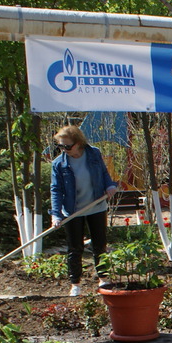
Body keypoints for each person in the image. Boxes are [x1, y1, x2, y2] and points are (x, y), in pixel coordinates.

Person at [49, 126, 118, 297]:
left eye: (67, 146)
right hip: (72, 211)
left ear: (78, 143)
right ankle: (75, 284)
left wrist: (109, 186)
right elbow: (56, 189)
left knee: (99, 245)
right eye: (60, 146)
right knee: (75, 248)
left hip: (96, 206)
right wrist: (56, 214)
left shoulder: (93, 154)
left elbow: (103, 172)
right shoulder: (59, 163)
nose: (64, 150)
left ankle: (103, 279)